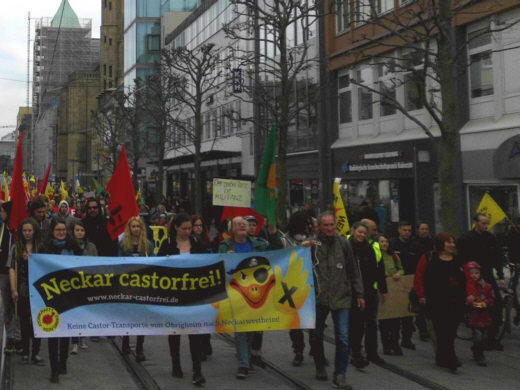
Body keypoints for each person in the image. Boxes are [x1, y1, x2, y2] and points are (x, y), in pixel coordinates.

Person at [218, 216, 283, 380]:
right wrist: (226, 257)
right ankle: (244, 363)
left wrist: (274, 233)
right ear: (231, 229)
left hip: (257, 292)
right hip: (237, 292)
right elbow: (218, 266)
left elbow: (277, 251)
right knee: (241, 328)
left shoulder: (259, 244)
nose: (241, 226)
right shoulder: (226, 246)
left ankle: (246, 356)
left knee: (254, 327)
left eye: (244, 224)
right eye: (237, 224)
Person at [309, 213, 365, 390]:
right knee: (316, 334)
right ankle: (320, 364)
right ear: (320, 227)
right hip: (319, 298)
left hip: (341, 297)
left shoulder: (344, 243)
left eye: (332, 224)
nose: (329, 228)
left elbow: (353, 270)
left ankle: (340, 374)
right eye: (326, 225)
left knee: (342, 337)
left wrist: (360, 294)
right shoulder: (313, 244)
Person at [158, 213, 207, 386]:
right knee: (175, 332)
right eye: (184, 228)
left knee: (195, 333)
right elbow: (157, 267)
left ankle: (197, 370)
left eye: (190, 228)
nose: (188, 231)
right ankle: (176, 364)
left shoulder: (196, 243)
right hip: (174, 295)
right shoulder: (168, 244)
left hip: (193, 294)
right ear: (176, 227)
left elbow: (205, 263)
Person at [41, 219, 83, 383]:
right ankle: (54, 369)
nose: (61, 232)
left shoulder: (73, 248)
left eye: (63, 230)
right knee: (53, 331)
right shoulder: (45, 248)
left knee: (65, 331)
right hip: (52, 294)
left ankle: (63, 361)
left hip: (69, 294)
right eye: (58, 230)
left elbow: (82, 266)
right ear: (52, 231)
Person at [457, 213, 505, 350]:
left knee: (495, 304)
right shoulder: (466, 239)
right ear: (476, 223)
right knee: (476, 308)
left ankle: (492, 336)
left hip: (488, 275)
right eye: (483, 223)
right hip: (472, 277)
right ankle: (478, 339)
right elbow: (461, 260)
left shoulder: (490, 238)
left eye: (487, 223)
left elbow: (497, 258)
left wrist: (500, 276)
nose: (485, 226)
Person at [423, 233, 465, 372]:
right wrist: (423, 297)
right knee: (442, 331)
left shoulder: (457, 260)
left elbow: (463, 280)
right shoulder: (432, 259)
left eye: (453, 242)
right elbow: (426, 280)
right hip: (437, 302)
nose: (452, 245)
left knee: (451, 331)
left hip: (455, 301)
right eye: (449, 242)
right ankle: (451, 358)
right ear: (442, 244)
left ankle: (442, 357)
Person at [349, 222, 387, 367]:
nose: (362, 235)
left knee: (371, 324)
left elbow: (378, 269)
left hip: (370, 291)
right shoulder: (347, 247)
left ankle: (372, 353)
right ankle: (356, 352)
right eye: (359, 232)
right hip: (354, 292)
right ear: (353, 231)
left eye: (364, 233)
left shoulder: (370, 248)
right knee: (356, 324)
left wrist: (383, 289)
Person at [119, 216, 154, 363]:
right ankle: (125, 341)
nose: (135, 229)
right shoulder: (123, 245)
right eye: (133, 226)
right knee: (127, 315)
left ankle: (139, 348)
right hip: (127, 285)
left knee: (141, 317)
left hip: (143, 286)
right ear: (129, 228)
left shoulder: (148, 245)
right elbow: (118, 262)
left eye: (138, 226)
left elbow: (154, 262)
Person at [8, 218, 43, 364]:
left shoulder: (41, 247)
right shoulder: (16, 248)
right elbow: (12, 269)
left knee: (37, 321)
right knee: (23, 320)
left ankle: (36, 352)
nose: (27, 233)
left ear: (34, 231)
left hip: (39, 290)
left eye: (30, 230)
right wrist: (13, 289)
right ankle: (25, 349)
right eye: (24, 231)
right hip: (22, 289)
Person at [283, 211, 315, 366]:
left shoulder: (313, 239)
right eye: (306, 223)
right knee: (295, 322)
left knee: (315, 320)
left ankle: (316, 349)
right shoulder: (285, 239)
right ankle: (298, 350)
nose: (309, 226)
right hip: (292, 285)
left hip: (311, 284)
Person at [70, 221, 97, 354]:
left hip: (87, 282)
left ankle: (82, 338)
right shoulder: (69, 245)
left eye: (82, 230)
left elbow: (97, 264)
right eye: (77, 230)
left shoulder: (91, 246)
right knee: (74, 312)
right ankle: (74, 342)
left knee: (85, 311)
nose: (79, 232)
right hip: (73, 283)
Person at [389, 220, 417, 350]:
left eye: (409, 231)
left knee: (408, 312)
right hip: (395, 280)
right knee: (396, 313)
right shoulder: (392, 244)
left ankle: (407, 339)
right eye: (405, 230)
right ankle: (394, 340)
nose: (407, 233)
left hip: (409, 280)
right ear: (399, 230)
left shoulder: (414, 244)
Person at [190, 214, 213, 361]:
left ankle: (206, 341)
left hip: (206, 282)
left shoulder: (207, 241)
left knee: (205, 314)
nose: (198, 228)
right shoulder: (190, 242)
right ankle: (200, 346)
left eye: (200, 225)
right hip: (194, 282)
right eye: (195, 225)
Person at [464, 261, 495, 366]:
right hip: (473, 315)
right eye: (471, 273)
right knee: (478, 335)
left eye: (476, 273)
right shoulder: (467, 286)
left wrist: (485, 303)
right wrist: (470, 302)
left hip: (484, 315)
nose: (474, 275)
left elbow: (491, 298)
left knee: (484, 336)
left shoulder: (486, 286)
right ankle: (479, 354)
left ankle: (476, 348)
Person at [377, 234, 404, 356]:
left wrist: (398, 273)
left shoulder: (393, 256)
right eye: (382, 242)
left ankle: (395, 344)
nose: (384, 244)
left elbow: (401, 268)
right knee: (384, 321)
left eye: (386, 241)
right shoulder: (376, 256)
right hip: (381, 290)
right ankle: (386, 345)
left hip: (393, 289)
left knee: (395, 320)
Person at [0, 201, 16, 353]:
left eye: (3, 211)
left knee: (19, 304)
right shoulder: (2, 228)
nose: (1, 214)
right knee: (7, 306)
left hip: (18, 272)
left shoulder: (18, 229)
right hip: (4, 272)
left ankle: (20, 337)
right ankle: (10, 337)